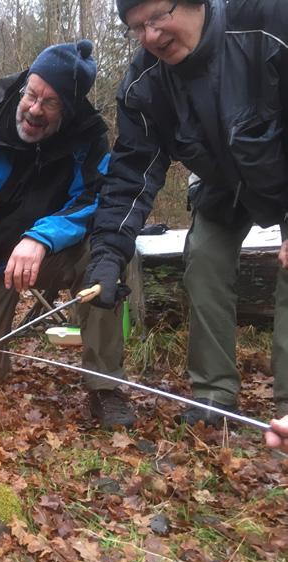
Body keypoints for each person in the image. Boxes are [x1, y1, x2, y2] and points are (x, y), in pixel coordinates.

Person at [83, 0, 288, 427]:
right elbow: (130, 176)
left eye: (159, 17)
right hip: (221, 184)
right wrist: (106, 257)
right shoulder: (145, 83)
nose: (151, 37)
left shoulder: (266, 24)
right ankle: (216, 398)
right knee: (204, 260)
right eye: (137, 28)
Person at [0, 40, 136, 429]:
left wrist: (40, 238)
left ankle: (106, 385)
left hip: (56, 253)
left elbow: (95, 199)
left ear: (69, 109)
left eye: (50, 103)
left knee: (104, 256)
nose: (33, 109)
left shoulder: (88, 139)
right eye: (31, 94)